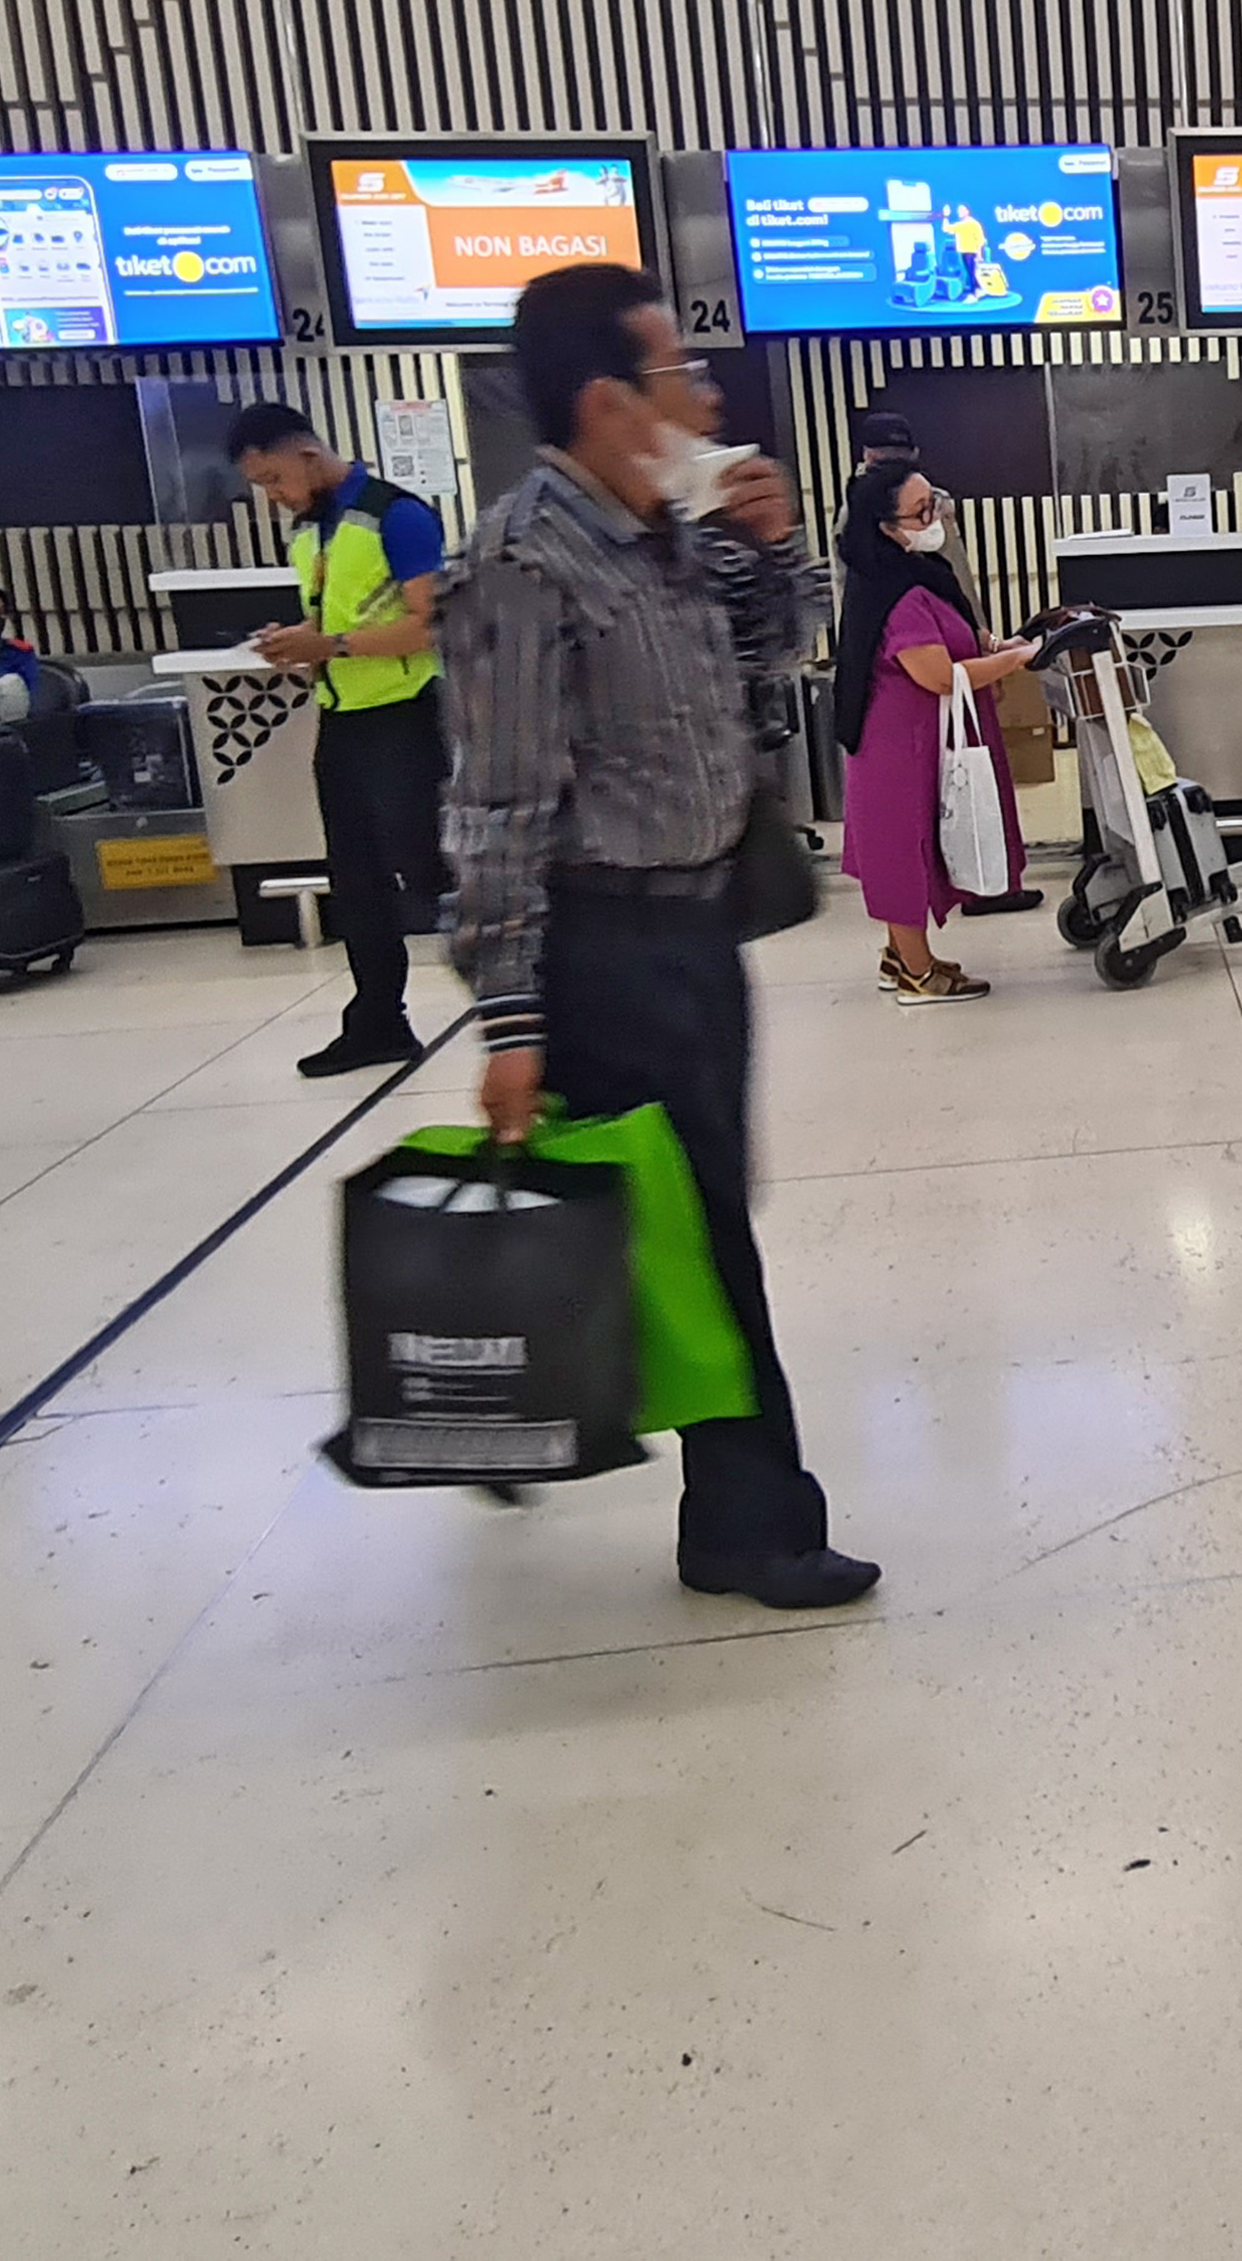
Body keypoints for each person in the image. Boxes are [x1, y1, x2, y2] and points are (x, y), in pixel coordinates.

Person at [441, 264, 876, 1612]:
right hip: (605, 947)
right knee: (699, 1231)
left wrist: (771, 545)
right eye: (679, 371)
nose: (707, 396)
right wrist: (511, 1015)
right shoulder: (523, 562)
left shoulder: (664, 535)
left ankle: (651, 1466)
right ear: (606, 402)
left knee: (692, 1217)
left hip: (698, 935)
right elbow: (496, 801)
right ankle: (753, 1522)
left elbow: (770, 665)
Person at [232, 402, 450, 1077]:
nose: (273, 496)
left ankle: (532, 1006)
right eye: (261, 486)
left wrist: (331, 645)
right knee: (355, 881)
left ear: (307, 454)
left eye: (274, 479)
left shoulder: (396, 516)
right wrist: (298, 643)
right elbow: (335, 618)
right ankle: (378, 1021)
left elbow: (433, 623)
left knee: (434, 871)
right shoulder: (308, 531)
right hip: (343, 718)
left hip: (406, 718)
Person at [833, 462, 1032, 1005]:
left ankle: (902, 955)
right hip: (899, 745)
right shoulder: (894, 592)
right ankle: (918, 976)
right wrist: (1015, 661)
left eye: (936, 504)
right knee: (903, 850)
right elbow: (939, 676)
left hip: (920, 738)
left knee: (910, 843)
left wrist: (1000, 645)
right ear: (884, 525)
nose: (935, 518)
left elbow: (959, 633)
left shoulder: (915, 571)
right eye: (921, 512)